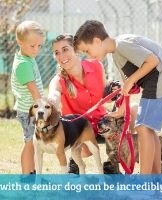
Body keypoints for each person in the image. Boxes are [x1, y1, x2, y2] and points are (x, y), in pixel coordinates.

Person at [73, 20, 162, 174]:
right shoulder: (117, 54)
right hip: (158, 81)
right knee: (148, 129)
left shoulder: (122, 45)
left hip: (161, 80)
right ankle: (154, 176)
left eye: (87, 51)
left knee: (143, 128)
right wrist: (120, 111)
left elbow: (153, 60)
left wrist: (131, 80)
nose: (88, 56)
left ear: (97, 41)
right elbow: (128, 86)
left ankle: (145, 178)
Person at [48, 34, 137, 174]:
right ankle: (74, 161)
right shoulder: (58, 81)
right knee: (86, 151)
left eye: (65, 49)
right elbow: (53, 95)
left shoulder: (96, 66)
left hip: (102, 122)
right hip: (80, 129)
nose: (61, 55)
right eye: (57, 52)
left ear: (76, 49)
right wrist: (51, 102)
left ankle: (113, 162)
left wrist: (113, 91)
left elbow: (103, 95)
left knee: (133, 110)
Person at [11, 21, 44, 174]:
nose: (36, 49)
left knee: (33, 142)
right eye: (32, 46)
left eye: (39, 46)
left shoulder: (27, 58)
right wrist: (44, 107)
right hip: (28, 111)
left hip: (31, 109)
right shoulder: (23, 64)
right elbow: (33, 91)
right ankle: (26, 176)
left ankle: (31, 173)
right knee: (29, 142)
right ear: (20, 42)